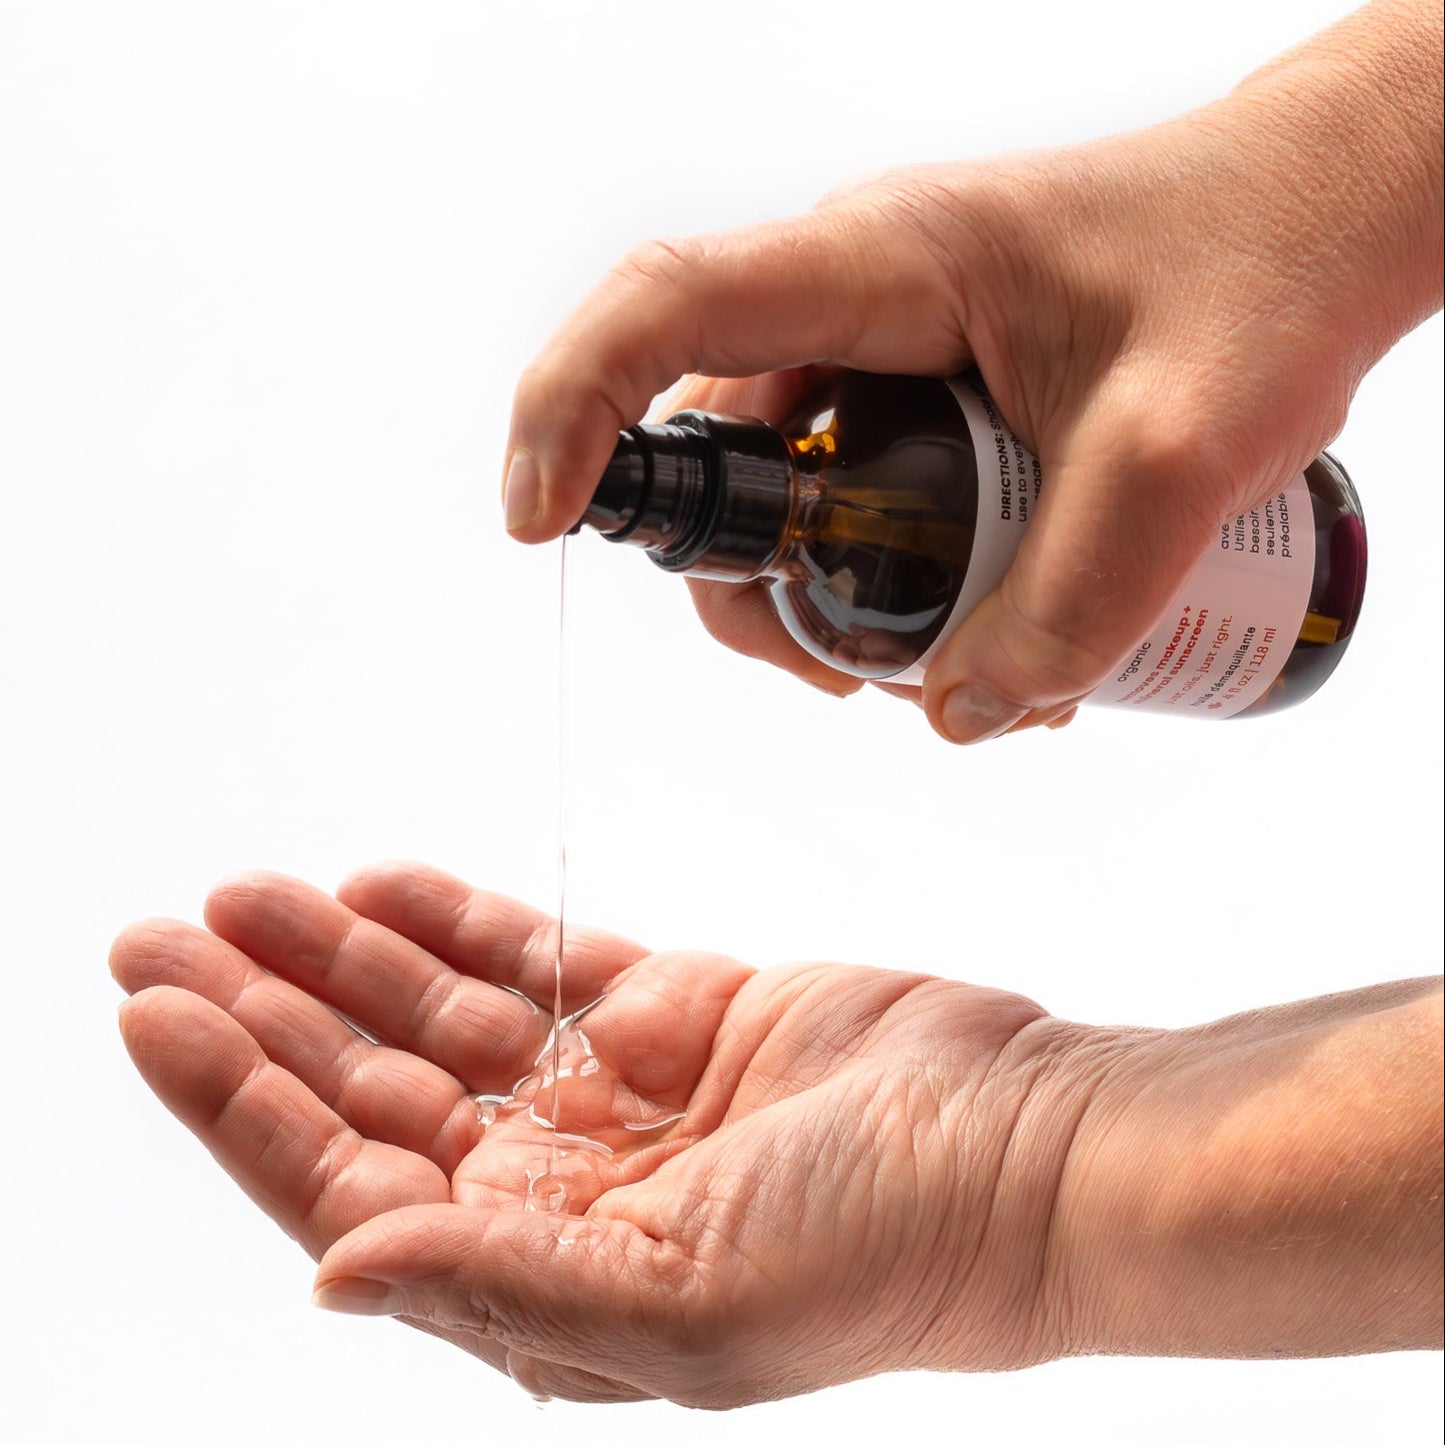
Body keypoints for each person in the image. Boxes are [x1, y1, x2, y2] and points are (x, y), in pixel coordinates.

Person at [113, 0, 1441, 1410]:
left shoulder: (858, 517)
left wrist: (1331, 164)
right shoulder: (829, 591)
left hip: (1274, 594)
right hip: (1257, 623)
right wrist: (1025, 1173)